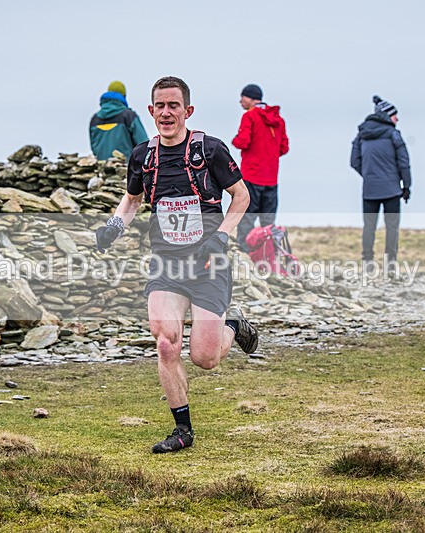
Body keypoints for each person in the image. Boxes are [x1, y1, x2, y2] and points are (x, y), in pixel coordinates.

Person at [95, 76, 259, 454]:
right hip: (166, 264)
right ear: (150, 111)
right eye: (160, 106)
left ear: (188, 110)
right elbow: (132, 199)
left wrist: (223, 235)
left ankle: (233, 324)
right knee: (165, 342)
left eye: (174, 106)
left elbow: (241, 195)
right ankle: (182, 430)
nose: (166, 113)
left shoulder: (211, 150)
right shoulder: (143, 156)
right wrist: (114, 227)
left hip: (207, 265)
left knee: (206, 359)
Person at [350, 95, 412, 272]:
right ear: (386, 116)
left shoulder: (361, 135)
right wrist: (406, 186)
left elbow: (354, 161)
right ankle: (391, 264)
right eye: (394, 115)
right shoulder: (394, 135)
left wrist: (369, 175)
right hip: (392, 190)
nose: (397, 118)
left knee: (369, 226)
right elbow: (404, 163)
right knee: (392, 227)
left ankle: (367, 262)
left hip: (370, 189)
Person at [232, 84, 289, 252]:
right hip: (271, 178)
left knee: (247, 218)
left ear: (250, 98)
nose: (240, 101)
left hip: (251, 176)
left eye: (242, 98)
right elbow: (284, 148)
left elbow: (243, 141)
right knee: (268, 222)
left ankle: (245, 253)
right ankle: (268, 254)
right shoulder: (278, 120)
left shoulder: (249, 116)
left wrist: (235, 140)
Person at [89, 81, 149, 161]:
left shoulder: (95, 119)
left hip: (101, 169)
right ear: (124, 96)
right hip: (125, 169)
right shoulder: (128, 116)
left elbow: (94, 147)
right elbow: (143, 144)